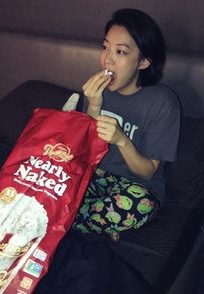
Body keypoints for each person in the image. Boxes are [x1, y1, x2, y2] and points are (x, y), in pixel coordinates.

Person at [72, 8, 180, 241]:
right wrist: (93, 105)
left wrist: (122, 139)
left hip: (135, 187)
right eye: (105, 47)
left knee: (140, 204)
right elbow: (85, 150)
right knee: (57, 182)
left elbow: (148, 171)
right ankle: (94, 219)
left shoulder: (163, 103)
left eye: (120, 51)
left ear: (143, 62)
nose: (107, 59)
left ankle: (70, 218)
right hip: (95, 176)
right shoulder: (98, 91)